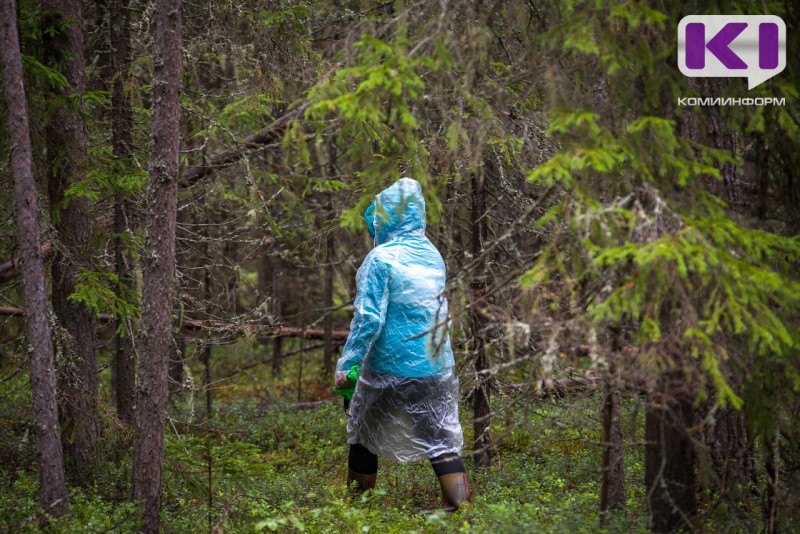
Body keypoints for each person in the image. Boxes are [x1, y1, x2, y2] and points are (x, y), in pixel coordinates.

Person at [334, 177, 470, 510]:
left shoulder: (379, 259)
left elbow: (369, 319)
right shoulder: (433, 256)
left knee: (363, 434)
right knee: (441, 441)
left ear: (384, 219)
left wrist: (348, 363)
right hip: (437, 368)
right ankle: (462, 509)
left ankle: (356, 509)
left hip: (387, 370)